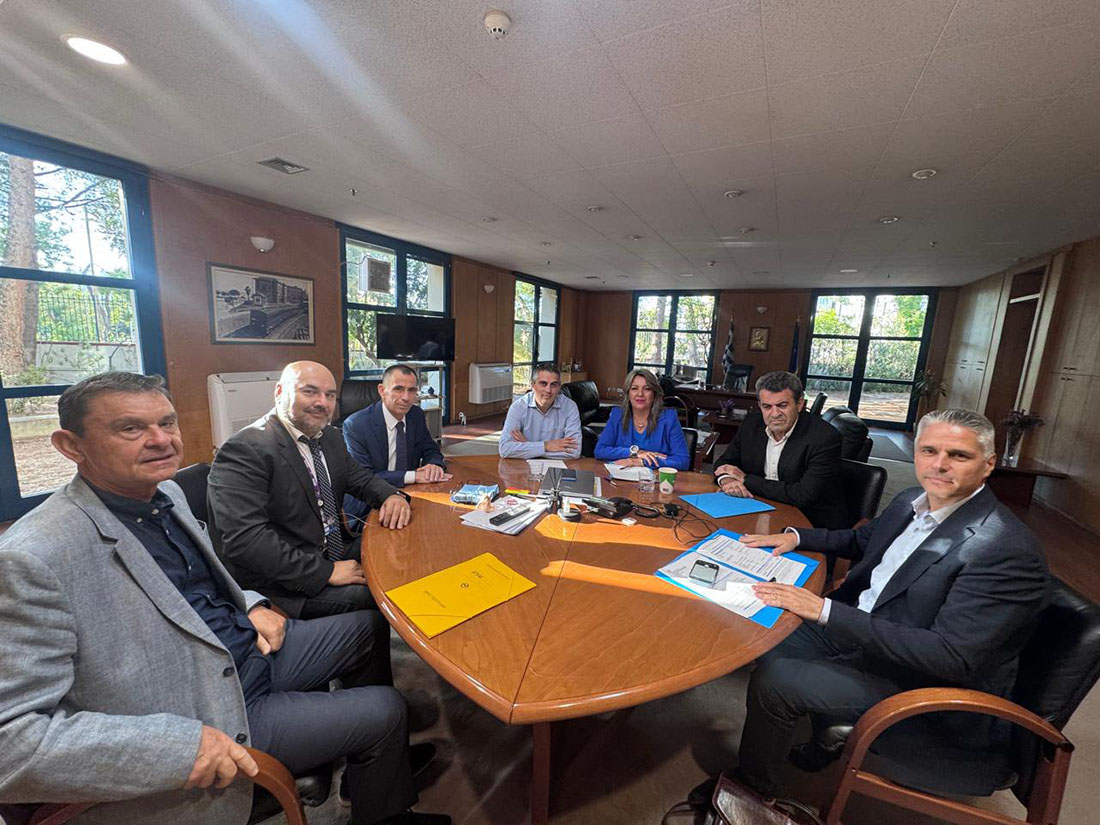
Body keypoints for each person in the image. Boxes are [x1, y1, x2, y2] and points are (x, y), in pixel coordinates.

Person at [0, 372, 448, 825]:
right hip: (206, 706)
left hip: (246, 647)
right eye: (131, 428)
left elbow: (207, 569)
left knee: (368, 626)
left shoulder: (164, 492)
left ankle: (357, 761)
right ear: (71, 446)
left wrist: (250, 604)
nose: (161, 440)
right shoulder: (32, 557)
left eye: (167, 423)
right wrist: (179, 748)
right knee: (386, 709)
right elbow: (10, 744)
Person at [692, 408, 1049, 804]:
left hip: (916, 679)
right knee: (766, 629)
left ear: (988, 464)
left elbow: (951, 657)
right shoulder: (913, 499)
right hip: (866, 631)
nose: (939, 465)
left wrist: (824, 610)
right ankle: (819, 734)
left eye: (958, 455)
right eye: (929, 451)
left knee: (777, 681)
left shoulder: (1003, 549)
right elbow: (861, 540)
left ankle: (751, 789)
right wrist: (795, 538)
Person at [208, 361, 412, 619]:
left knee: (402, 550)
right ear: (279, 392)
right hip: (283, 580)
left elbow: (361, 479)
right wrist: (325, 572)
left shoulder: (329, 437)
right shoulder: (245, 450)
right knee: (372, 594)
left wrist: (391, 495)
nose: (322, 403)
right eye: (309, 391)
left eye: (330, 395)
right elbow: (246, 541)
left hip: (331, 547)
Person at [713, 370, 846, 529]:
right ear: (760, 406)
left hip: (808, 522)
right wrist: (727, 480)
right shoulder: (751, 424)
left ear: (800, 404)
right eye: (767, 406)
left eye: (782, 405)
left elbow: (803, 496)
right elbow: (724, 463)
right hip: (757, 509)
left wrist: (746, 479)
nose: (775, 414)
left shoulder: (824, 438)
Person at [342, 364, 451, 527]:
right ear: (382, 390)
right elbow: (364, 477)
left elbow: (431, 448)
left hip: (410, 495)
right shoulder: (356, 425)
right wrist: (414, 476)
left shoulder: (415, 415)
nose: (406, 397)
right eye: (398, 389)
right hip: (370, 503)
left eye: (411, 390)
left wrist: (433, 465)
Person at [594, 368, 690, 470]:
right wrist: (636, 453)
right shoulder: (617, 415)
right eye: (634, 388)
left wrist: (642, 462)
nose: (640, 394)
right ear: (628, 393)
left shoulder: (669, 418)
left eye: (647, 389)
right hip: (621, 475)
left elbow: (683, 461)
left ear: (654, 394)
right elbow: (600, 451)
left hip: (656, 478)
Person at [498, 363, 582, 459]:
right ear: (533, 385)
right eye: (543, 383)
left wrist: (528, 445)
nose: (548, 390)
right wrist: (546, 446)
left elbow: (574, 452)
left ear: (559, 387)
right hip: (524, 466)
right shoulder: (518, 407)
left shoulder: (570, 407)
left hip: (558, 465)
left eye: (554, 385)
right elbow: (505, 449)